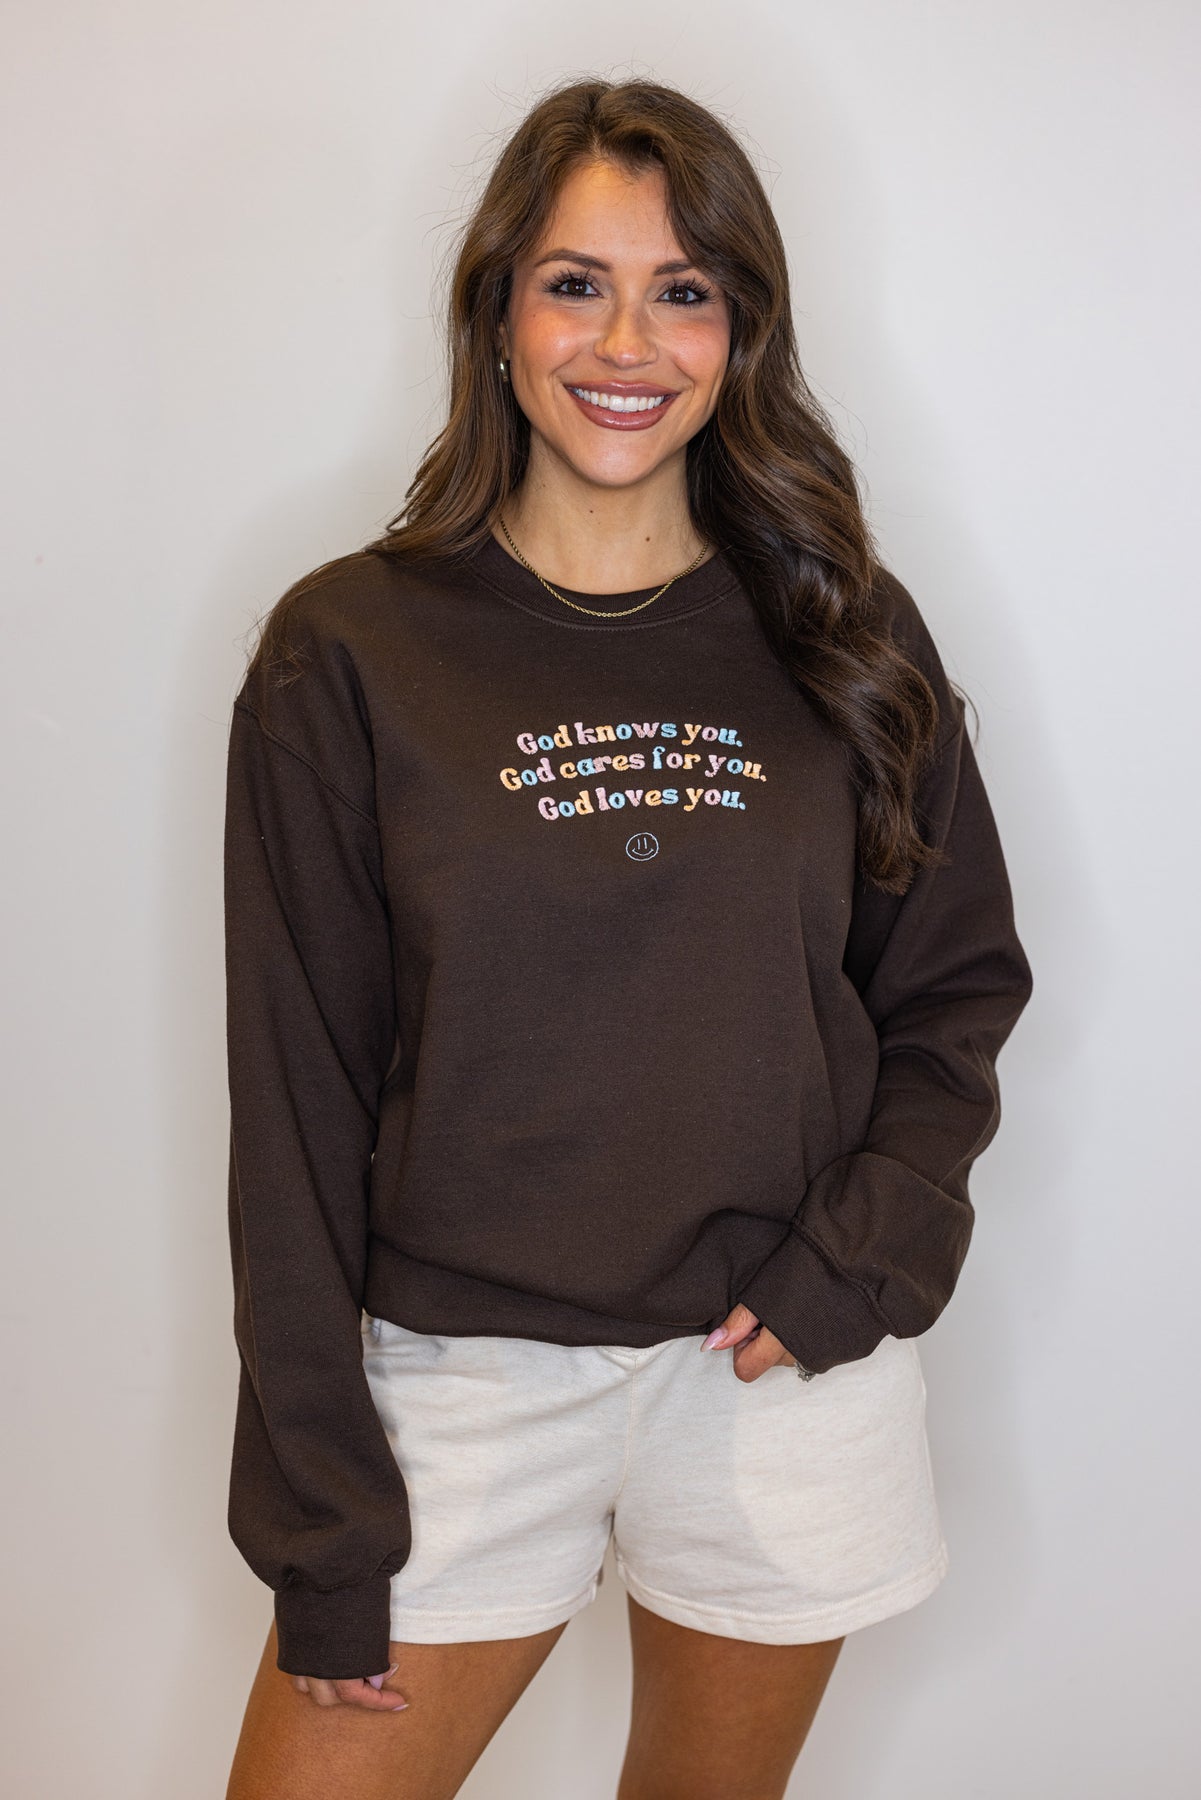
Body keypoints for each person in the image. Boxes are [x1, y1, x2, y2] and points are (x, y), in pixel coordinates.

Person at [221, 75, 1033, 1800]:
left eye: (684, 291)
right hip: (457, 1384)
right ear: (496, 310)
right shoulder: (349, 649)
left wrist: (858, 1260)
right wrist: (319, 1514)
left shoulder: (840, 628)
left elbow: (950, 988)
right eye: (575, 283)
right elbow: (292, 1095)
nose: (626, 343)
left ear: (741, 333)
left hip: (769, 1371)